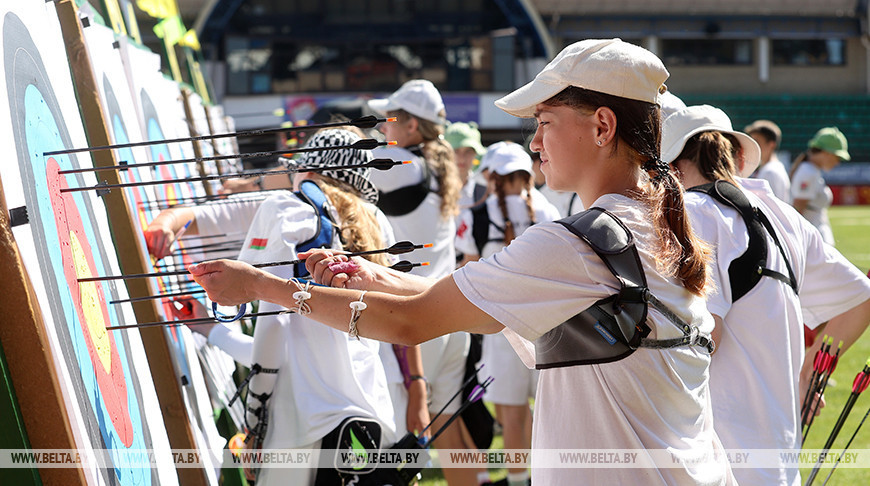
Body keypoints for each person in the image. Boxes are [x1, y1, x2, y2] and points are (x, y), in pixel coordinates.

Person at [190, 39, 735, 485]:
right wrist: (373, 274)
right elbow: (475, 305)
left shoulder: (580, 243)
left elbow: (411, 323)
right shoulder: (652, 224)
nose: (535, 142)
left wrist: (261, 285)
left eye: (545, 121)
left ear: (601, 127)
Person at [147, 128, 405, 486]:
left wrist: (257, 417)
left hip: (299, 430)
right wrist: (212, 330)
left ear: (308, 171)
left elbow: (274, 331)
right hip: (367, 422)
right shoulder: (378, 226)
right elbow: (301, 350)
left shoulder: (288, 209)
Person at [662, 105, 870, 486]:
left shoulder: (690, 212)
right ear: (737, 157)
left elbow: (704, 338)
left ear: (671, 168)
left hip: (718, 460)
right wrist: (810, 370)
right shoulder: (784, 216)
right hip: (778, 459)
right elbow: (861, 299)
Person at [366, 79, 480, 485]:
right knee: (445, 428)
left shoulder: (402, 165)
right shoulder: (434, 162)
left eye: (389, 119)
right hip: (451, 319)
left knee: (397, 435)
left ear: (412, 126)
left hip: (418, 321)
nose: (381, 127)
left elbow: (333, 166)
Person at [454, 141, 558, 486]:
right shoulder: (547, 210)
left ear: (492, 176)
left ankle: (517, 481)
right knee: (547, 415)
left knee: (510, 415)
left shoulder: (477, 213)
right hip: (549, 328)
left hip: (500, 330)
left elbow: (466, 273)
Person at [789, 126, 850, 245]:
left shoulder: (812, 171)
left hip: (815, 243)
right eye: (837, 157)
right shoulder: (808, 173)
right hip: (812, 245)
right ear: (827, 153)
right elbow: (798, 209)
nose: (837, 162)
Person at [745, 119, 791, 202]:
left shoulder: (770, 172)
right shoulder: (768, 168)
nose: (753, 146)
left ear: (771, 145)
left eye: (757, 142)